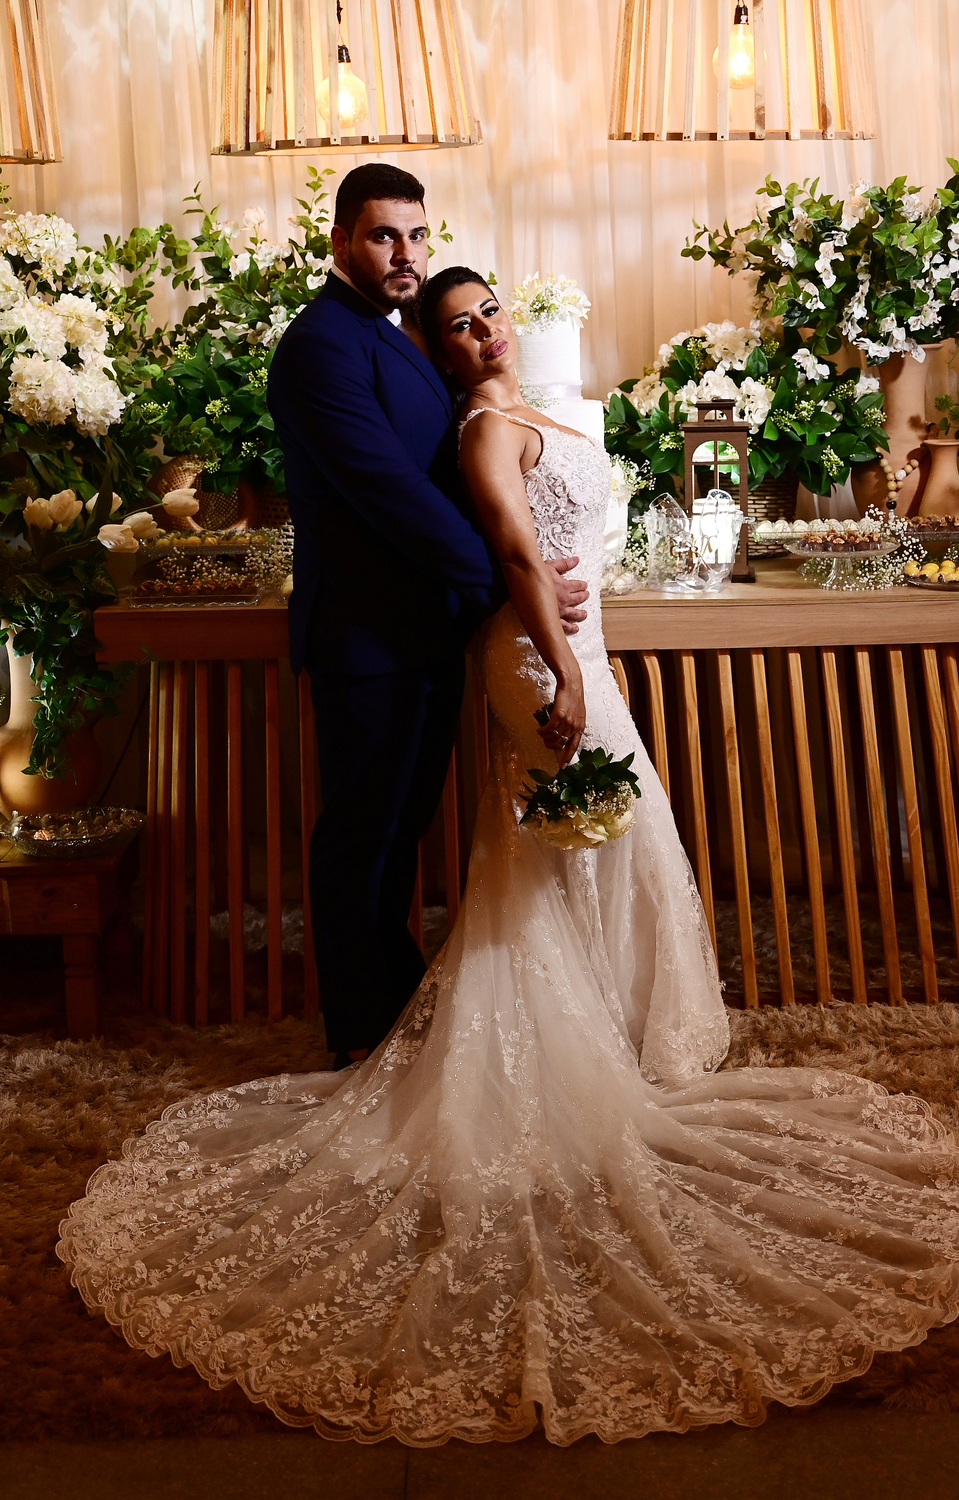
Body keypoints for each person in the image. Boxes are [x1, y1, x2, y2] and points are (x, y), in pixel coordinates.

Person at [59, 268, 959, 1448]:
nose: (483, 334)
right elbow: (514, 553)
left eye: (490, 313)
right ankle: (556, 1041)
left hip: (582, 641)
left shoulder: (536, 408)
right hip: (538, 654)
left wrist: (583, 643)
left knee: (617, 834)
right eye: (457, 327)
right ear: (436, 350)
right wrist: (561, 670)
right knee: (568, 834)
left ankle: (618, 1016)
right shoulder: (479, 430)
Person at [267, 164, 588, 1066]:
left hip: (423, 631)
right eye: (383, 236)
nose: (405, 253)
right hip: (364, 637)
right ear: (340, 240)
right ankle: (360, 1041)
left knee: (398, 834)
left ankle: (392, 1016)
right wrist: (515, 585)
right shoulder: (321, 344)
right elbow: (391, 495)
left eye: (415, 234)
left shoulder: (394, 332)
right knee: (361, 838)